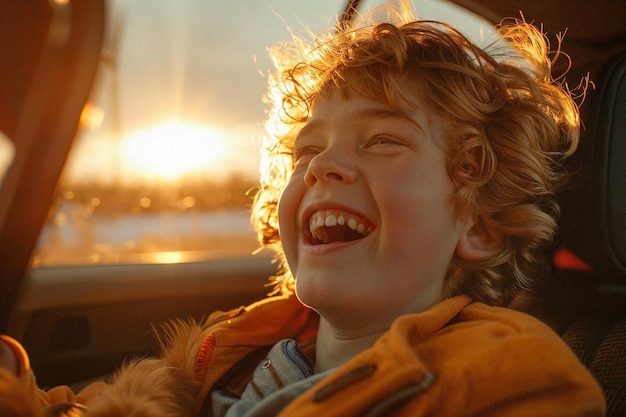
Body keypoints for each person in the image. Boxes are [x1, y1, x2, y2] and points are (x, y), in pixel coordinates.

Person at [0, 4, 606, 417]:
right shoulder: (227, 355)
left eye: (382, 141)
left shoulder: (508, 372)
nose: (321, 166)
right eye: (308, 149)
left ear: (477, 223)